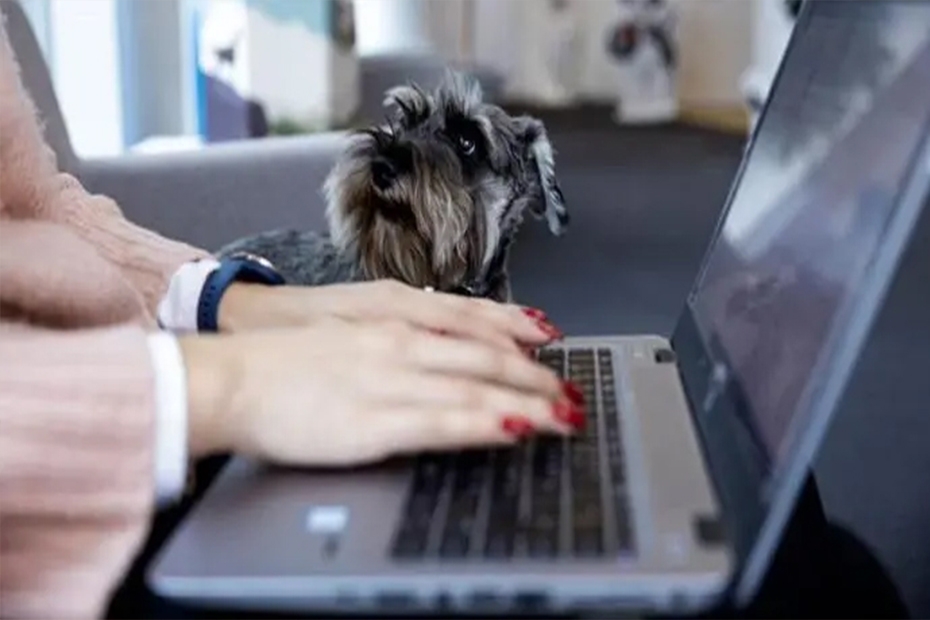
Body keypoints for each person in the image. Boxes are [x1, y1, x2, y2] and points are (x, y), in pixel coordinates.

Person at [0, 22, 584, 619]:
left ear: (531, 189)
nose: (394, 157)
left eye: (461, 146)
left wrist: (223, 298)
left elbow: (41, 209)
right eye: (405, 125)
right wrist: (218, 384)